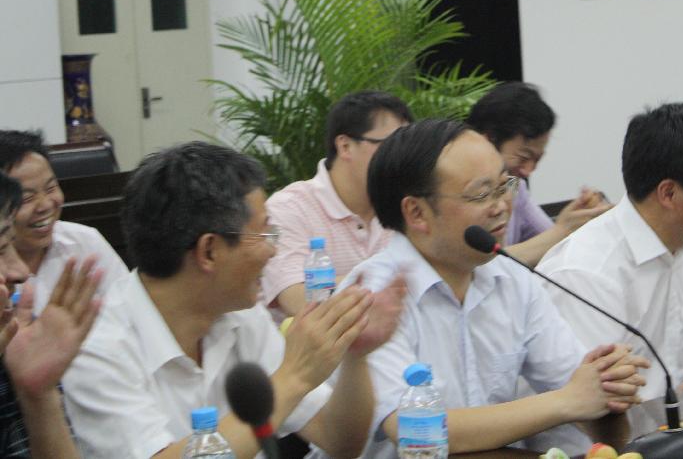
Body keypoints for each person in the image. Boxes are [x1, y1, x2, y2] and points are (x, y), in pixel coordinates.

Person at [62, 141, 404, 458]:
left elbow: (339, 440)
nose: (273, 250)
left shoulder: (241, 314)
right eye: (264, 234)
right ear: (209, 251)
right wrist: (294, 376)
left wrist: (355, 355)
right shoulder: (99, 345)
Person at [345, 119, 648, 459]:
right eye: (481, 193)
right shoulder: (374, 294)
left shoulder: (512, 279)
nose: (502, 205)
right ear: (417, 212)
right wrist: (567, 401)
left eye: (505, 186)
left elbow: (588, 404)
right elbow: (412, 429)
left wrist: (608, 389)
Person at [537, 103, 683, 402]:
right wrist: (678, 411)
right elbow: (596, 404)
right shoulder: (585, 273)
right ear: (669, 193)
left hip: (666, 425)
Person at [262, 91, 413, 318]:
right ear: (345, 146)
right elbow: (297, 299)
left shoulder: (406, 207)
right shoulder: (287, 208)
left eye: (406, 146)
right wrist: (387, 281)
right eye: (391, 145)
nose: (401, 158)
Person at [0, 171, 102, 458]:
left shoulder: (13, 342)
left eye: (10, 244)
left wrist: (38, 397)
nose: (20, 271)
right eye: (1, 249)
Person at [467, 82, 611, 266]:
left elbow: (553, 248)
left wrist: (578, 218)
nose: (528, 171)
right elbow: (478, 267)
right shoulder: (456, 193)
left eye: (537, 160)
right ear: (488, 139)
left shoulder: (514, 184)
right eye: (523, 157)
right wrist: (562, 230)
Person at [0, 130, 128, 312]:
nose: (45, 205)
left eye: (51, 188)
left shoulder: (85, 242)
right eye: (27, 198)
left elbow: (128, 311)